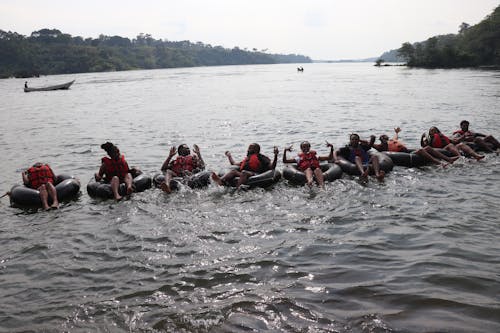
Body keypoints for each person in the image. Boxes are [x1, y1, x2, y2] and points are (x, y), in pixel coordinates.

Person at [373, 127, 459, 166]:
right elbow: (370, 145)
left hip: (407, 152)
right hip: (402, 156)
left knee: (428, 148)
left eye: (385, 137)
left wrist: (396, 132)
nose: (384, 138)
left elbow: (396, 136)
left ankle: (448, 160)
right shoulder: (380, 147)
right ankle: (439, 163)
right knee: (421, 150)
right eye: (382, 137)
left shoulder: (392, 140)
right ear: (380, 140)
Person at [211, 143, 278, 189]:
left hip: (256, 174)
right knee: (233, 171)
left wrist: (275, 155)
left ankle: (237, 190)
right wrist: (229, 156)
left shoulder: (261, 157)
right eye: (248, 148)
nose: (248, 150)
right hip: (245, 174)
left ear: (256, 150)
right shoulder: (247, 159)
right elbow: (234, 164)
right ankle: (220, 181)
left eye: (250, 148)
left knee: (244, 172)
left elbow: (272, 167)